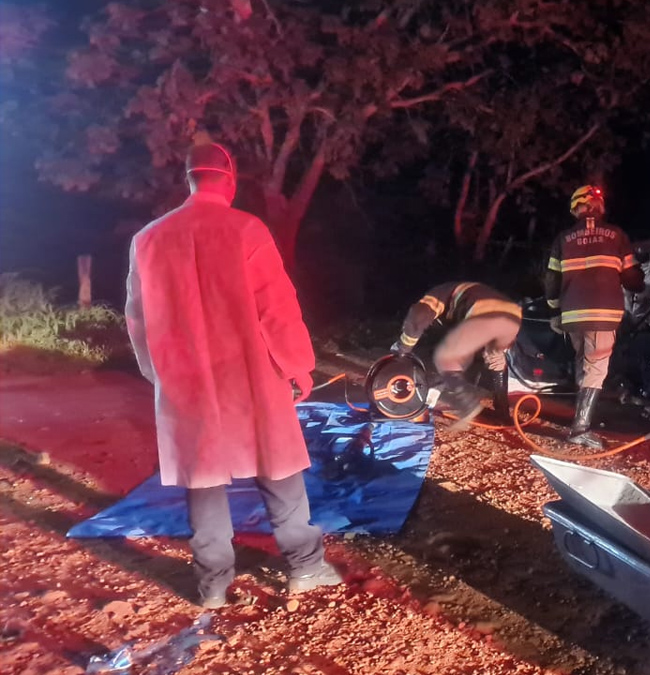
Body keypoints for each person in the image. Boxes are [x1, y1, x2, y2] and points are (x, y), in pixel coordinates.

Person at [125, 141, 341, 609]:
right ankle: (305, 567)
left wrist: (156, 373)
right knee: (278, 465)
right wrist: (297, 364)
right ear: (230, 179)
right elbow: (276, 307)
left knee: (203, 477)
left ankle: (213, 587)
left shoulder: (148, 238)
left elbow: (138, 318)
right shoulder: (246, 229)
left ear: (189, 178)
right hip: (251, 373)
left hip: (187, 379)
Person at [544, 185, 645, 448]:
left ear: (576, 207)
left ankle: (581, 420)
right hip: (603, 314)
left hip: (573, 316)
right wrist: (641, 282)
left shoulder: (563, 238)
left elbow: (552, 280)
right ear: (598, 207)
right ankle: (580, 430)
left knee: (585, 362)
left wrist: (555, 307)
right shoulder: (616, 235)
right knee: (596, 369)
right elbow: (633, 278)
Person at [389, 282, 523, 424]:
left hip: (484, 313)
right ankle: (502, 411)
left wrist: (402, 349)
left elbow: (417, 318)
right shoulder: (454, 294)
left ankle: (468, 404)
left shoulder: (432, 298)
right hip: (513, 317)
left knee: (446, 360)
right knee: (495, 358)